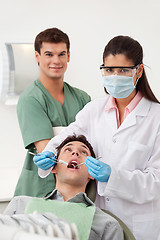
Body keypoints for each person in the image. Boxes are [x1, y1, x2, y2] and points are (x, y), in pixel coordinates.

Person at [33, 35, 160, 240]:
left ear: (139, 71)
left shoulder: (156, 117)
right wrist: (48, 153)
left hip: (142, 227)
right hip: (100, 223)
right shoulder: (94, 110)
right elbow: (68, 135)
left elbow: (157, 182)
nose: (115, 76)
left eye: (123, 70)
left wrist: (114, 177)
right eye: (109, 70)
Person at [14, 27, 91, 198]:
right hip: (40, 189)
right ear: (37, 57)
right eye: (49, 54)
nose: (56, 60)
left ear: (68, 56)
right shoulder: (31, 99)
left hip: (76, 188)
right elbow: (47, 149)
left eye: (61, 54)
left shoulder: (82, 98)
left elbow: (94, 143)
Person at [4, 135, 124, 240]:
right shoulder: (19, 204)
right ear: (54, 167)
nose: (75, 153)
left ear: (91, 173)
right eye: (68, 149)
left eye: (83, 152)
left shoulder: (106, 225)